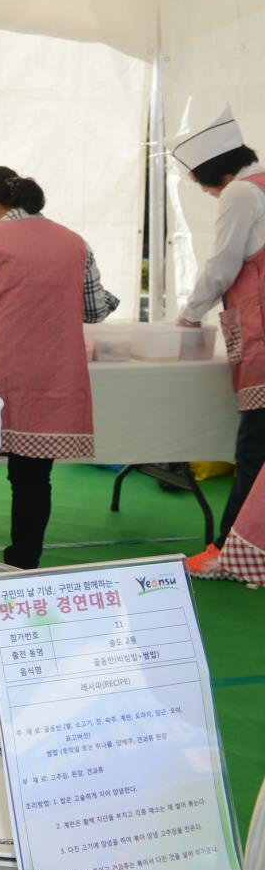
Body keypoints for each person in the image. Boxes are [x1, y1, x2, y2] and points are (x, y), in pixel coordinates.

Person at [0, 166, 118, 569]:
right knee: (33, 481)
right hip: (52, 381)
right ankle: (24, 565)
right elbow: (96, 310)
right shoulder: (74, 242)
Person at [169, 106, 264, 575]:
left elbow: (222, 265)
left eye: (202, 182)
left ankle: (230, 551)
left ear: (216, 172)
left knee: (254, 448)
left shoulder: (242, 193)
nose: (207, 192)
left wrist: (188, 316)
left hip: (262, 335)